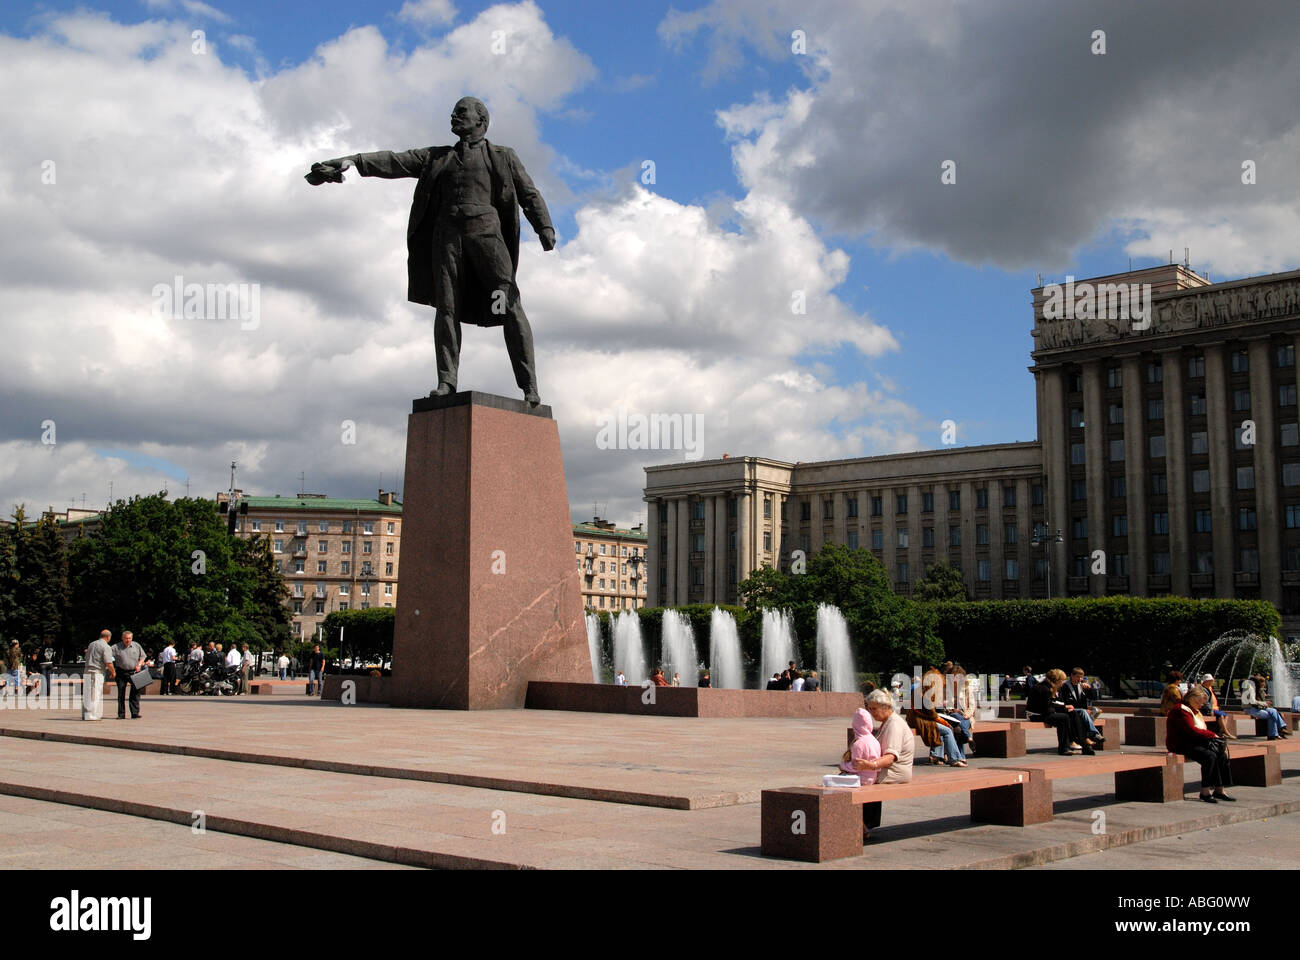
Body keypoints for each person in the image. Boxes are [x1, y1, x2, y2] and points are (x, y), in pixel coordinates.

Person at [309, 97, 556, 405]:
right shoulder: (436, 157)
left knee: (508, 305)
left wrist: (543, 226)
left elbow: (528, 193)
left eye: (461, 112)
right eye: (453, 112)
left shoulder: (503, 156)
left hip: (487, 236)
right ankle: (447, 382)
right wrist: (353, 161)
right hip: (447, 238)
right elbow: (393, 161)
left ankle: (529, 386)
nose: (454, 116)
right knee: (447, 308)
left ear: (482, 120)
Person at [859, 688, 915, 840]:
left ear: (885, 707)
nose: (871, 713)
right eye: (868, 709)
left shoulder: (894, 725)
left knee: (850, 781)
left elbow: (890, 757)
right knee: (849, 777)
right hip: (889, 770)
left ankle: (860, 824)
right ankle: (863, 822)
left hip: (894, 772)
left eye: (873, 709)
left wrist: (870, 765)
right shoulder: (887, 722)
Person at [1168, 683, 1235, 802]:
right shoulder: (1180, 710)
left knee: (1221, 755)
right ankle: (1205, 791)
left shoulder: (1194, 710)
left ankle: (1219, 789)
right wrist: (1212, 735)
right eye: (1200, 702)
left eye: (1203, 702)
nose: (1202, 705)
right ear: (1192, 698)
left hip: (1195, 742)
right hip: (1181, 744)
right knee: (1209, 756)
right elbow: (1190, 730)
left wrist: (1210, 736)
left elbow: (1200, 729)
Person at [906, 669, 967, 766]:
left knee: (942, 729)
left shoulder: (921, 690)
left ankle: (936, 755)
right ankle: (954, 759)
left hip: (919, 719)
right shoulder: (926, 694)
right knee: (947, 730)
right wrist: (942, 720)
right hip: (920, 720)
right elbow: (932, 714)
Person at [1027, 668, 1095, 755]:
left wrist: (1065, 707)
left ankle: (1084, 744)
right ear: (1056, 680)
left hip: (1048, 712)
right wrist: (1064, 708)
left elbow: (1059, 703)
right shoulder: (1042, 688)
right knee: (1064, 718)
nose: (1063, 683)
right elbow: (1047, 707)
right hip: (1037, 714)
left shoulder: (1056, 688)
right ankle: (1065, 748)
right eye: (1062, 680)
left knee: (1074, 713)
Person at [1058, 667, 1106, 744]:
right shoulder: (1065, 686)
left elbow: (1093, 698)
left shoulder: (1082, 687)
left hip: (1082, 711)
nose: (1080, 679)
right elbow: (1065, 702)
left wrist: (1089, 689)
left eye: (1081, 677)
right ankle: (1093, 734)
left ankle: (1086, 740)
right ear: (1072, 676)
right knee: (1083, 713)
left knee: (1092, 712)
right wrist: (1083, 709)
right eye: (1078, 677)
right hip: (1071, 711)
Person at [1241, 674, 1291, 739]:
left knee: (1273, 711)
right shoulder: (1250, 688)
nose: (1262, 686)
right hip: (1250, 709)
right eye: (1262, 685)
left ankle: (1280, 729)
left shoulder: (1253, 687)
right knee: (1271, 715)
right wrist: (1265, 703)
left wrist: (1265, 703)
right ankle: (1274, 733)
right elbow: (1252, 701)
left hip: (1256, 708)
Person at [840, 707, 882, 784]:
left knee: (833, 779)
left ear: (855, 725)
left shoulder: (858, 744)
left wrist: (843, 765)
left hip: (859, 779)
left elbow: (855, 766)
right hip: (872, 778)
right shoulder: (875, 741)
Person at [110, 631, 146, 719]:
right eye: (126, 638)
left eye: (129, 638)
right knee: (121, 693)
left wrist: (139, 664)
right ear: (122, 638)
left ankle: (135, 713)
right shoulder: (115, 647)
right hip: (121, 672)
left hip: (134, 672)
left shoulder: (136, 645)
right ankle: (121, 714)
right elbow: (107, 655)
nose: (128, 640)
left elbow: (143, 656)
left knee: (136, 693)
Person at [82, 630, 116, 721]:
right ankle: (91, 714)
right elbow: (109, 662)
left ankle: (85, 714)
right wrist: (113, 672)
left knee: (87, 694)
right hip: (97, 672)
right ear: (108, 637)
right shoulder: (106, 646)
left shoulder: (91, 644)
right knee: (95, 694)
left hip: (87, 671)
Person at [1196, 674, 1236, 739]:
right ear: (1206, 681)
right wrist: (1210, 710)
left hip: (1214, 708)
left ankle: (1222, 731)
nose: (1212, 682)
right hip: (1208, 710)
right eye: (1211, 681)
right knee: (1221, 716)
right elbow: (1205, 702)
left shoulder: (1209, 688)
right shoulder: (1203, 689)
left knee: (1225, 715)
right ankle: (1226, 732)